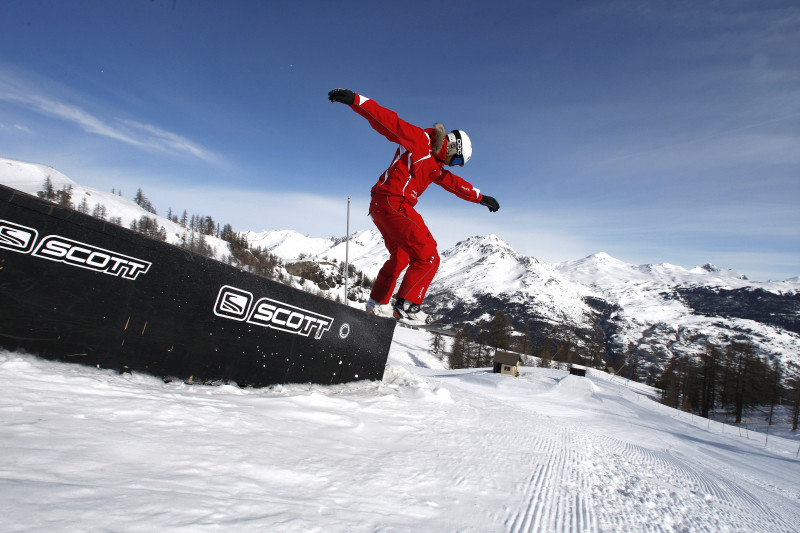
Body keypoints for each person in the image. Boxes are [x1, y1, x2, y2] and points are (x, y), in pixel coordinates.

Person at [328, 88, 499, 321]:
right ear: (453, 147)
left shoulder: (436, 167)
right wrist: (357, 101)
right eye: (457, 160)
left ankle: (376, 303)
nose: (455, 166)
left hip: (380, 206)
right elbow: (389, 122)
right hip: (393, 201)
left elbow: (453, 183)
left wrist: (479, 197)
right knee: (428, 256)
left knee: (400, 257)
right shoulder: (421, 140)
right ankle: (407, 304)